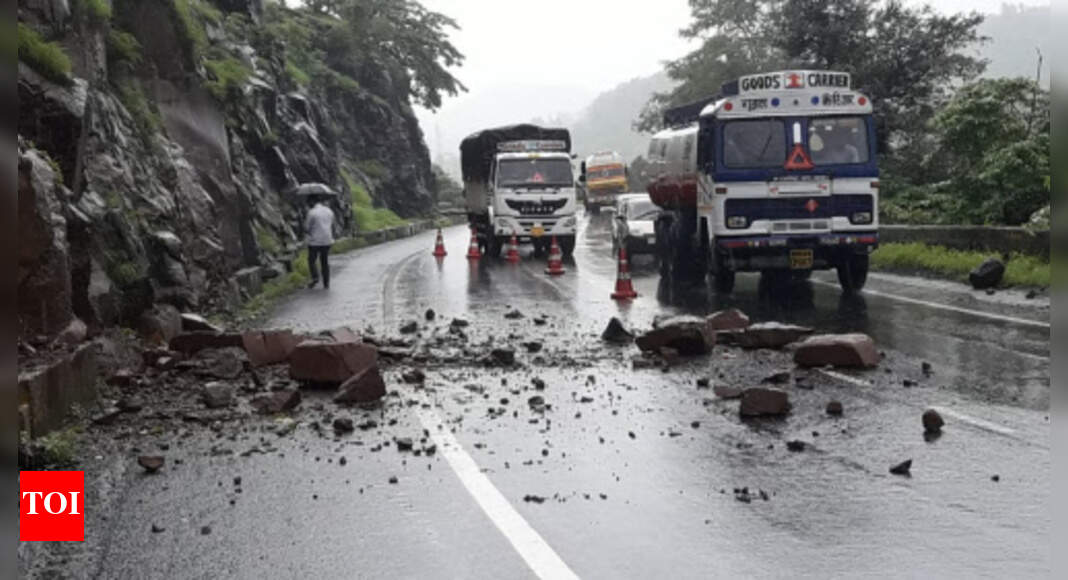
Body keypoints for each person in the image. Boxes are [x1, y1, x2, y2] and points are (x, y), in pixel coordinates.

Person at [304, 194, 335, 289]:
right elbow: (332, 224)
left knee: (312, 260)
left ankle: (315, 277)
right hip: (327, 240)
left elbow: (307, 228)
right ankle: (326, 283)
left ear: (312, 202)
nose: (308, 204)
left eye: (308, 202)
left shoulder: (312, 212)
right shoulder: (329, 211)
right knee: (324, 261)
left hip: (315, 241)